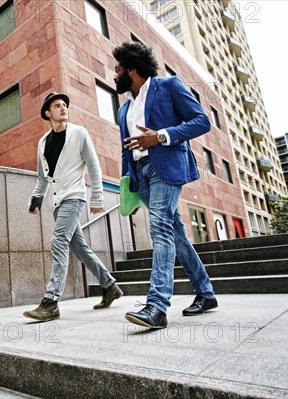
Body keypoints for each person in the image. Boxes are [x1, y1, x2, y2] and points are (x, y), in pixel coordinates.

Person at [112, 42, 218, 329]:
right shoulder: (124, 110)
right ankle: (206, 294)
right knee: (176, 234)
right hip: (141, 174)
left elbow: (201, 121)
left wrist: (161, 136)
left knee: (159, 229)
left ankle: (157, 306)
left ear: (132, 70)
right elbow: (126, 150)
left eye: (118, 69)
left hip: (167, 167)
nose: (114, 75)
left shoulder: (168, 86)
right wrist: (129, 182)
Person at [23, 92, 123, 322]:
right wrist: (36, 199)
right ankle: (109, 286)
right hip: (56, 201)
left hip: (75, 196)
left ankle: (50, 302)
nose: (63, 108)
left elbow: (93, 166)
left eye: (65, 105)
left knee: (58, 241)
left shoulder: (79, 133)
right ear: (48, 113)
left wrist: (97, 197)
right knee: (79, 248)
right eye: (57, 105)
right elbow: (42, 177)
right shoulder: (43, 142)